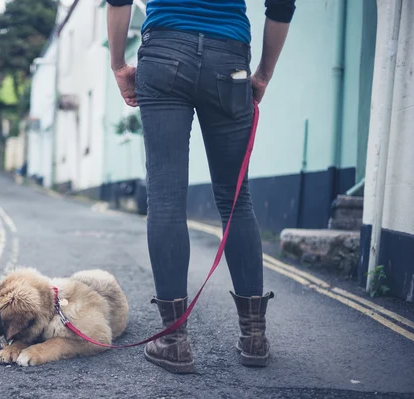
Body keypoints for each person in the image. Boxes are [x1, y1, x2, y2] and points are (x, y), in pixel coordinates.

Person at [106, 0, 295, 374]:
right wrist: (263, 74)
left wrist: (117, 65)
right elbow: (282, 4)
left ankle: (173, 341)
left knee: (165, 198)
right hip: (229, 57)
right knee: (236, 200)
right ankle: (254, 338)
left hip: (163, 53)